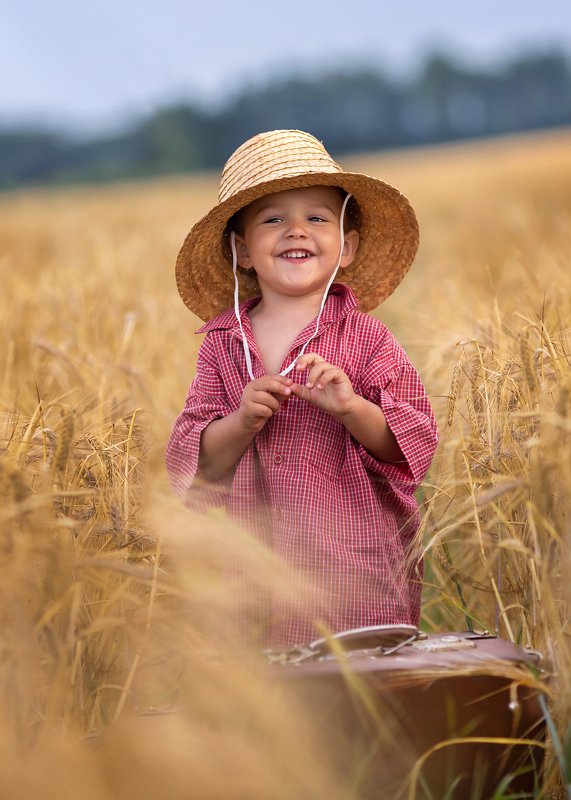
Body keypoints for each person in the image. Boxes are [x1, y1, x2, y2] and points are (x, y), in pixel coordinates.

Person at [166, 129, 438, 646]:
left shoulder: (367, 338)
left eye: (316, 217)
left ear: (348, 246)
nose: (296, 231)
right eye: (273, 220)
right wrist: (241, 420)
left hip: (355, 568)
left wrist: (352, 407)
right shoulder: (223, 347)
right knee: (279, 700)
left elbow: (411, 444)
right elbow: (196, 460)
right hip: (256, 573)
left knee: (365, 691)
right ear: (243, 251)